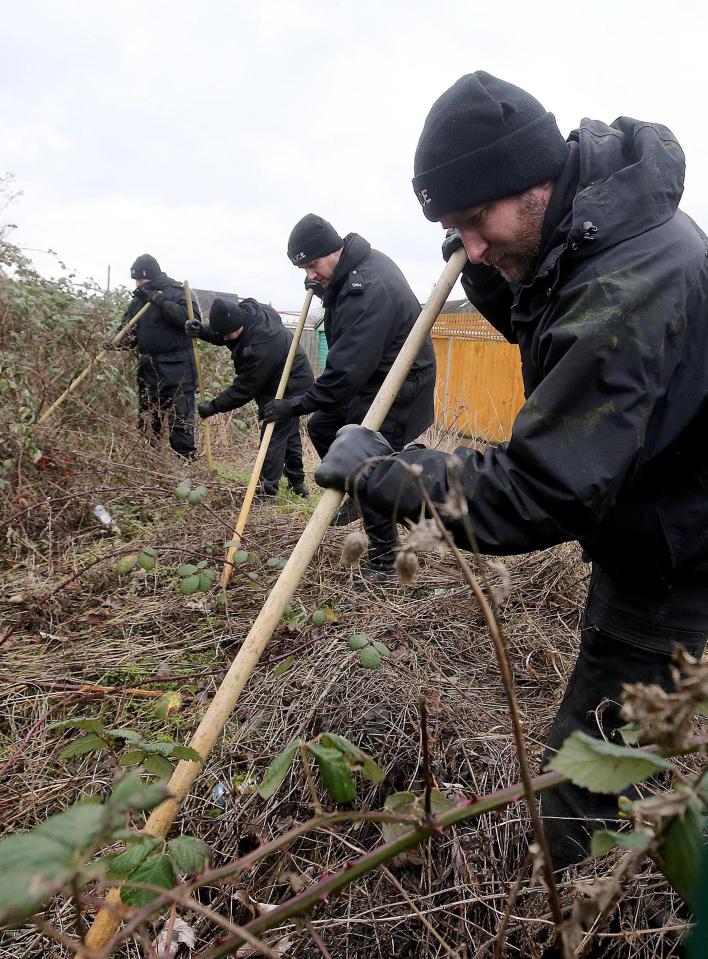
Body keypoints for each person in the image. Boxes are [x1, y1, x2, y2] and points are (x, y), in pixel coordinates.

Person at [314, 72, 708, 866]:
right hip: (660, 514)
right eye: (458, 231)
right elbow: (545, 307)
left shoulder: (628, 285)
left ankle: (558, 904)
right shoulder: (594, 221)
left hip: (680, 554)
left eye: (476, 220)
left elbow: (540, 491)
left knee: (588, 772)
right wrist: (489, 259)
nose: (472, 247)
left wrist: (388, 471)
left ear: (534, 180)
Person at [262, 214, 437, 580]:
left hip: (397, 387)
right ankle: (360, 494)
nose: (310, 276)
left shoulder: (367, 288)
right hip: (373, 379)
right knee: (324, 425)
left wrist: (291, 405)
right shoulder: (353, 269)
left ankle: (386, 559)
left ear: (331, 251)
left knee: (366, 462)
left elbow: (343, 375)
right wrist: (326, 288)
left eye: (312, 266)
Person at [188, 296, 313, 498]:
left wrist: (213, 406)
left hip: (291, 384)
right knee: (288, 434)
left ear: (241, 325)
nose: (227, 339)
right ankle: (297, 483)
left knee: (273, 435)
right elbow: (227, 334)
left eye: (230, 334)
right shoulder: (248, 314)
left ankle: (267, 492)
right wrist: (202, 331)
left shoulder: (261, 344)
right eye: (224, 334)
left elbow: (244, 389)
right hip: (273, 379)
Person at [116, 254, 200, 458]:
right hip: (148, 370)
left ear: (151, 276)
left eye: (140, 279)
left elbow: (192, 323)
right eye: (135, 280)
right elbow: (130, 333)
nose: (138, 284)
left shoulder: (179, 292)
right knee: (147, 419)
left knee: (180, 421)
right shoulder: (138, 299)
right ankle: (150, 463)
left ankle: (185, 466)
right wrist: (116, 342)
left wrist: (161, 302)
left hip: (178, 370)